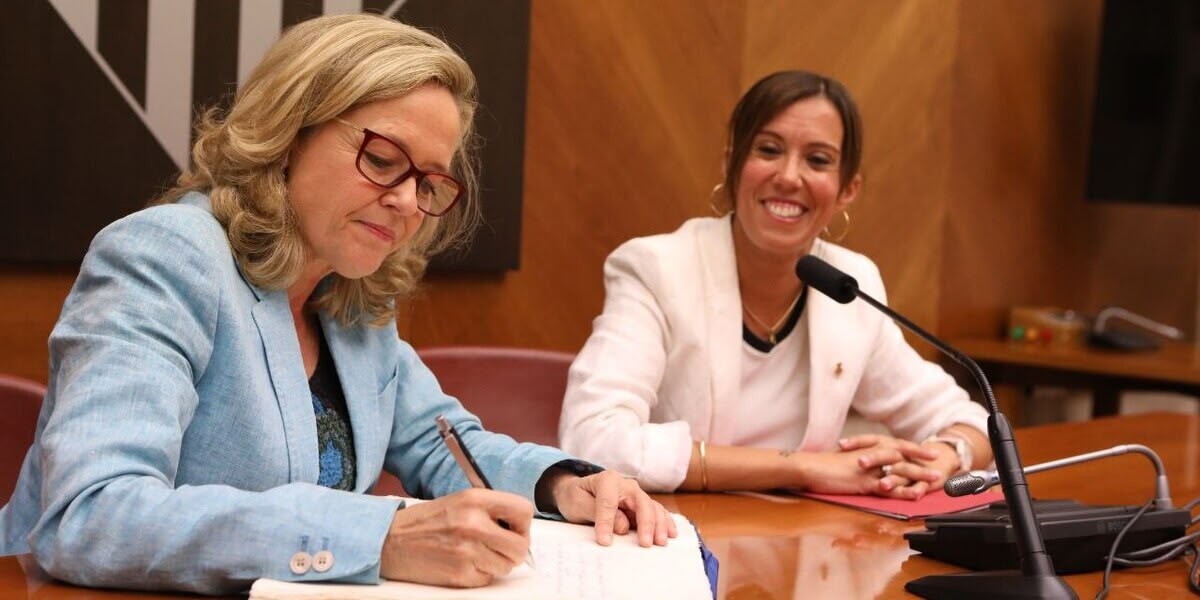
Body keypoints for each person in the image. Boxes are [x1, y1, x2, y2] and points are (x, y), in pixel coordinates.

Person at [0, 14, 674, 594]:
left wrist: (564, 484)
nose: (409, 202)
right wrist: (377, 537)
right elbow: (90, 516)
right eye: (383, 159)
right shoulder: (166, 256)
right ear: (291, 133)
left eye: (430, 183)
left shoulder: (351, 300)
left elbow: (447, 447)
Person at [559, 70, 992, 497]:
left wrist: (945, 454)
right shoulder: (657, 269)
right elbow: (591, 440)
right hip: (673, 540)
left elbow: (970, 421)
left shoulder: (849, 286)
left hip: (800, 544)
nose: (789, 176)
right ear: (731, 164)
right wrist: (803, 468)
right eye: (768, 150)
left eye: (818, 160)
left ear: (847, 190)